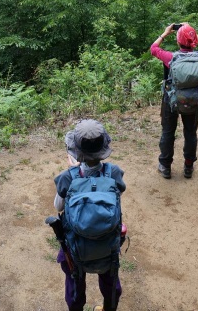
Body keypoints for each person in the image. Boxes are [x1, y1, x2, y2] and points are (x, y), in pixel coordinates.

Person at [53, 120, 126, 311]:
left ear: (76, 151)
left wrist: (75, 172)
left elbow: (58, 206)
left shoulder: (68, 177)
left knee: (74, 284)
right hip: (107, 247)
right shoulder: (114, 173)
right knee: (111, 284)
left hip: (75, 247)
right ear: (103, 148)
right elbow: (118, 194)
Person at [150, 23, 198, 179]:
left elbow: (153, 49)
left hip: (171, 100)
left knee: (168, 132)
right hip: (193, 100)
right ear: (193, 42)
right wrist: (192, 32)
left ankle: (165, 166)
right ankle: (188, 166)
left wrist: (164, 33)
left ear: (178, 41)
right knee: (190, 133)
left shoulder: (171, 58)